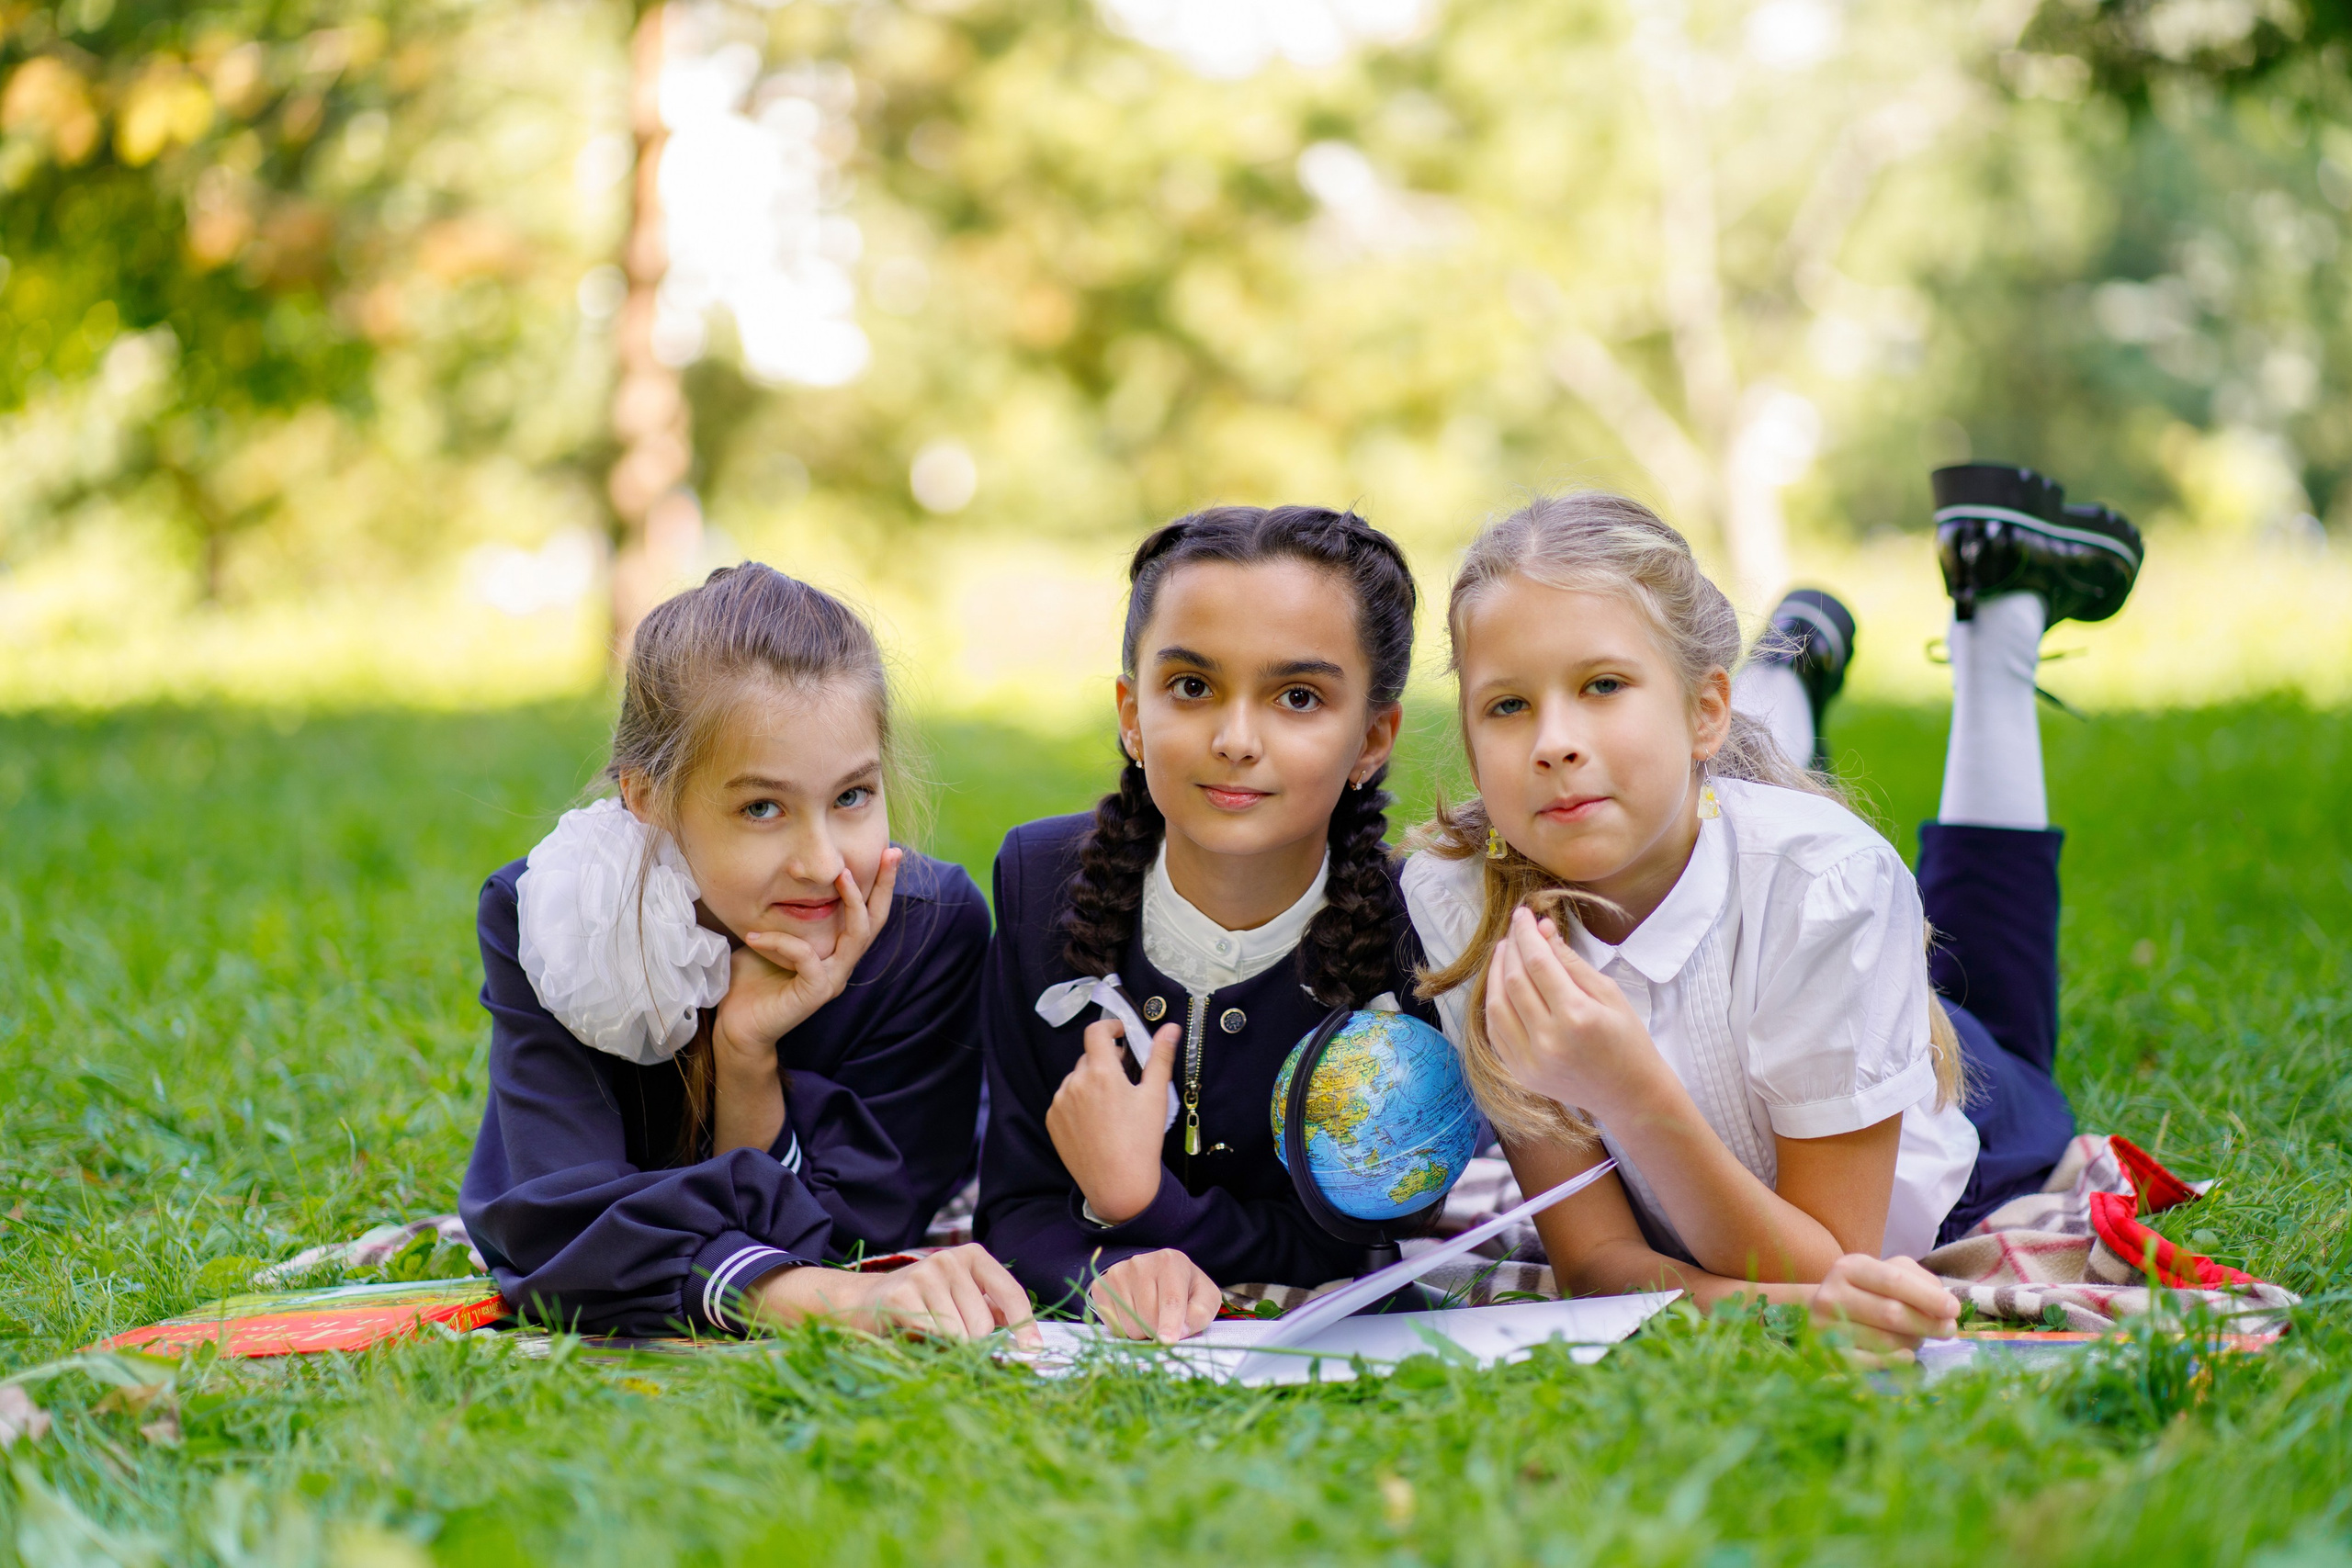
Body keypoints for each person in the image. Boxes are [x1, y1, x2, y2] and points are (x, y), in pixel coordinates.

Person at [1402, 470, 2140, 1351]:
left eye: (1602, 683)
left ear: (1704, 708)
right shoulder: (1464, 902)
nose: (1554, 740)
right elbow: (1598, 1263)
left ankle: (1998, 635)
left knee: (2001, 1020)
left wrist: (1630, 1092)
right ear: (1476, 748)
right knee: (1700, 815)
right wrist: (1777, 1309)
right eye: (1508, 704)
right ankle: (1787, 664)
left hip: (1952, 1118)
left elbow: (1827, 1259)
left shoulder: (1827, 881)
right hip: (1758, 931)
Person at [460, 563, 1033, 1342]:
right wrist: (812, 1300)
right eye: (762, 807)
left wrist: (746, 1057)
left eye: (853, 797)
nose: (823, 861)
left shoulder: (928, 935)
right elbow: (553, 1224)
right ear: (647, 797)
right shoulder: (563, 923)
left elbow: (853, 1237)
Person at [977, 505, 1437, 1342]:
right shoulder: (1037, 878)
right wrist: (1106, 1273)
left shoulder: (1417, 940)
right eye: (1192, 687)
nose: (1234, 738)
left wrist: (1142, 1204)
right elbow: (1013, 1207)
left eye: (1297, 697)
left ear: (1373, 737)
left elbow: (1355, 1242)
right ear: (1130, 710)